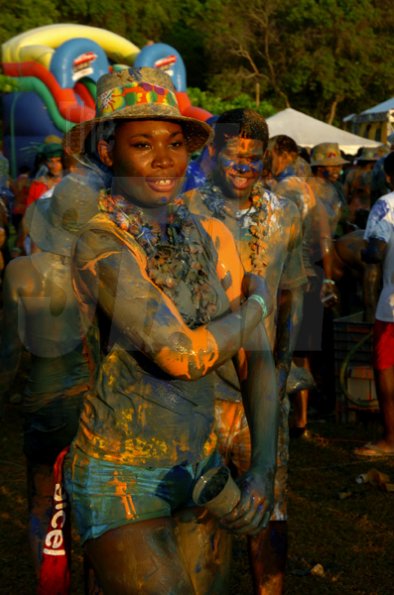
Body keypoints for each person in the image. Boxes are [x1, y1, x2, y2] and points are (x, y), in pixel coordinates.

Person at [62, 67, 279, 594]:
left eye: (175, 143)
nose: (164, 159)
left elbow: (258, 360)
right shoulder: (101, 242)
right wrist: (254, 306)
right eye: (142, 143)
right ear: (108, 152)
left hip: (202, 471)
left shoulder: (203, 234)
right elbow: (179, 354)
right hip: (121, 478)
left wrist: (263, 469)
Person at [184, 109, 306, 594]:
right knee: (200, 512)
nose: (244, 167)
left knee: (270, 510)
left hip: (263, 392)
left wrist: (283, 368)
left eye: (254, 158)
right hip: (199, 391)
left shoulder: (284, 214)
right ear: (211, 153)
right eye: (235, 156)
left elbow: (293, 294)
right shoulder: (184, 211)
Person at [0, 174, 100, 577]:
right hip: (93, 401)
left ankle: (50, 587)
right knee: (96, 509)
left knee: (44, 501)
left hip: (44, 401)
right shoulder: (99, 272)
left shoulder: (21, 271)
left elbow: (9, 351)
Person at [265, 135, 338, 435]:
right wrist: (329, 278)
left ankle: (295, 418)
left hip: (291, 280)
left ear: (283, 153)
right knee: (302, 351)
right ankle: (302, 419)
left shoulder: (284, 189)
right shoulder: (307, 189)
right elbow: (325, 238)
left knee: (288, 351)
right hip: (310, 276)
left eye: (269, 154)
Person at [355, 151, 394, 457]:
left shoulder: (387, 204)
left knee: (385, 368)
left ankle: (391, 439)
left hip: (392, 306)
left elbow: (375, 253)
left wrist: (363, 248)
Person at [25, 142, 64, 208]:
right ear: (45, 163)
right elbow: (30, 210)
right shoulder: (37, 185)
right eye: (50, 161)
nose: (54, 166)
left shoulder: (70, 182)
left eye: (58, 161)